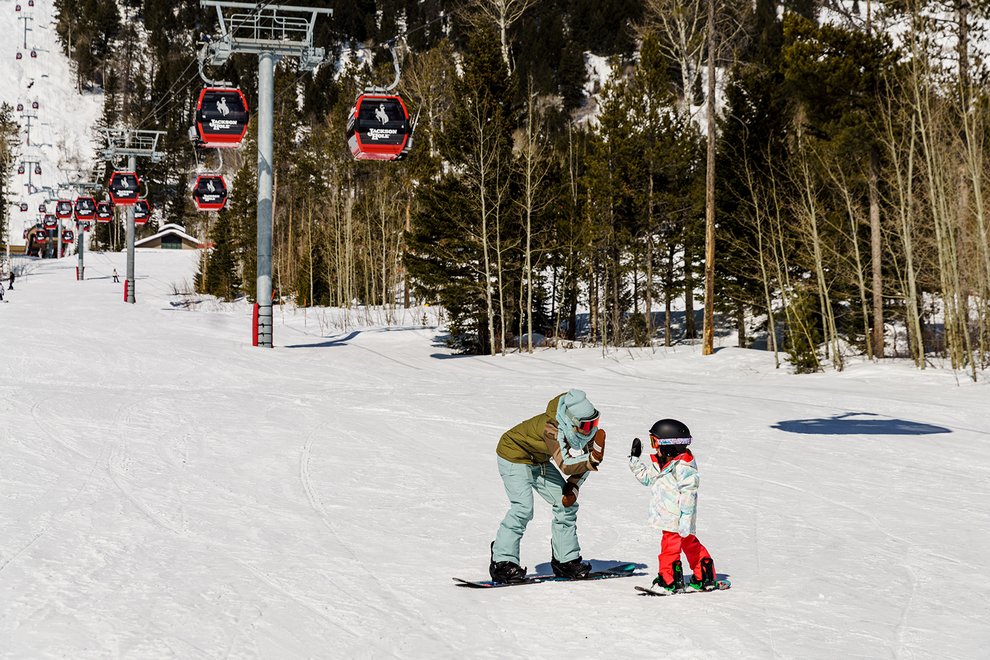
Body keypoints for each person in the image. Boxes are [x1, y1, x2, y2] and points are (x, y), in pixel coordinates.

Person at [489, 389, 606, 583]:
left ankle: (565, 560)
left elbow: (588, 463)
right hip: (513, 455)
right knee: (523, 508)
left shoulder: (587, 430)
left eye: (595, 422)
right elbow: (566, 465)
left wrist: (574, 486)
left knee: (565, 504)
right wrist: (590, 459)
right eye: (586, 425)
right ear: (571, 420)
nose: (591, 429)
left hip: (538, 460)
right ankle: (502, 561)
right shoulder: (552, 429)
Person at [628, 418, 716, 592]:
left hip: (677, 518)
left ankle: (668, 581)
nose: (654, 447)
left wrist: (685, 520)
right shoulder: (662, 464)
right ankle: (705, 575)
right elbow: (647, 479)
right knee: (690, 544)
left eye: (655, 442)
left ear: (669, 445)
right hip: (669, 517)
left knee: (669, 549)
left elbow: (689, 495)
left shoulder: (684, 467)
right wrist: (635, 460)